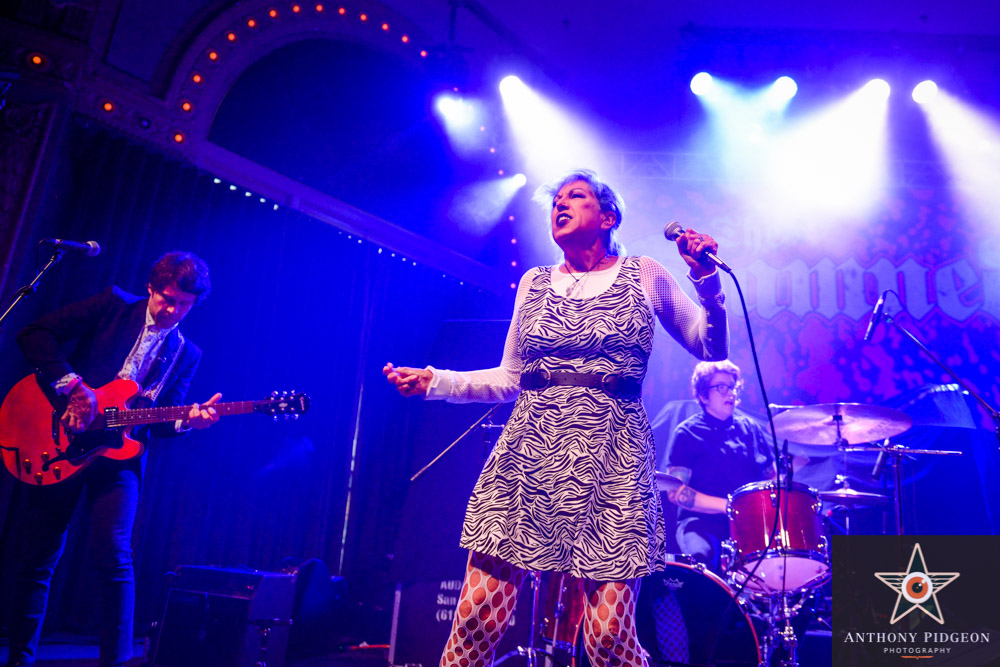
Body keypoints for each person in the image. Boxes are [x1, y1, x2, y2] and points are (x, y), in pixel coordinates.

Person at [384, 169, 728, 667]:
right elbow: (509, 378)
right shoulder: (535, 282)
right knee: (478, 616)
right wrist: (437, 381)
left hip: (611, 459)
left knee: (608, 638)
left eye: (576, 197)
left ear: (607, 216)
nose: (561, 205)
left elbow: (710, 346)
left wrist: (707, 280)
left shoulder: (644, 273)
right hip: (528, 454)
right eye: (556, 201)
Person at [6, 251, 222, 667]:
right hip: (61, 438)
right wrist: (72, 386)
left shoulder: (186, 353)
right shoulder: (113, 304)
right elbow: (36, 333)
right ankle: (18, 660)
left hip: (120, 458)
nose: (172, 311)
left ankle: (117, 664)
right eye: (166, 299)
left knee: (115, 555)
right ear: (150, 288)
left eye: (183, 305)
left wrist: (188, 422)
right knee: (39, 555)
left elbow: (161, 420)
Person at [663, 360, 777, 573]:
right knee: (702, 559)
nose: (731, 393)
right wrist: (729, 506)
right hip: (701, 523)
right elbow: (676, 493)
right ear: (704, 395)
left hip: (749, 524)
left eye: (733, 387)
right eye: (722, 387)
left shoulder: (750, 429)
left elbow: (772, 478)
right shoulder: (687, 434)